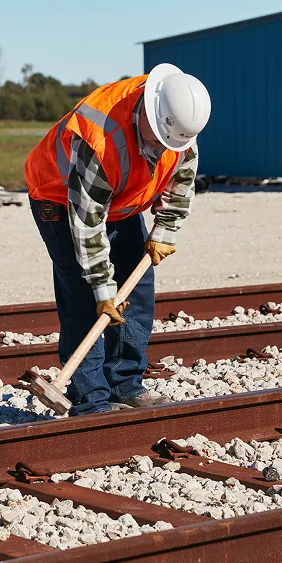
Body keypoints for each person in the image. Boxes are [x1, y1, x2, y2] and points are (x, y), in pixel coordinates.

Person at [24, 64, 211, 415]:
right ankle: (89, 398)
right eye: (155, 137)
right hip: (61, 199)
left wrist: (165, 229)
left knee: (137, 289)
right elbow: (87, 221)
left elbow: (183, 175)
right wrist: (102, 286)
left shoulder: (180, 119)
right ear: (146, 110)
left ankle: (125, 384)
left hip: (120, 202)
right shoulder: (99, 137)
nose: (160, 146)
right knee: (84, 296)